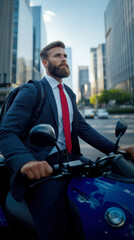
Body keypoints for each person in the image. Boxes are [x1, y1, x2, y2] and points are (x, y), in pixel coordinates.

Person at [0, 41, 134, 240]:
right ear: (45, 63)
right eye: (57, 56)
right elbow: (7, 131)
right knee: (53, 226)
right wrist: (26, 161)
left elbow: (83, 128)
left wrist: (116, 149)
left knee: (110, 192)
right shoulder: (33, 91)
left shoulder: (69, 94)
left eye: (65, 55)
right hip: (44, 167)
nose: (63, 59)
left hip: (74, 160)